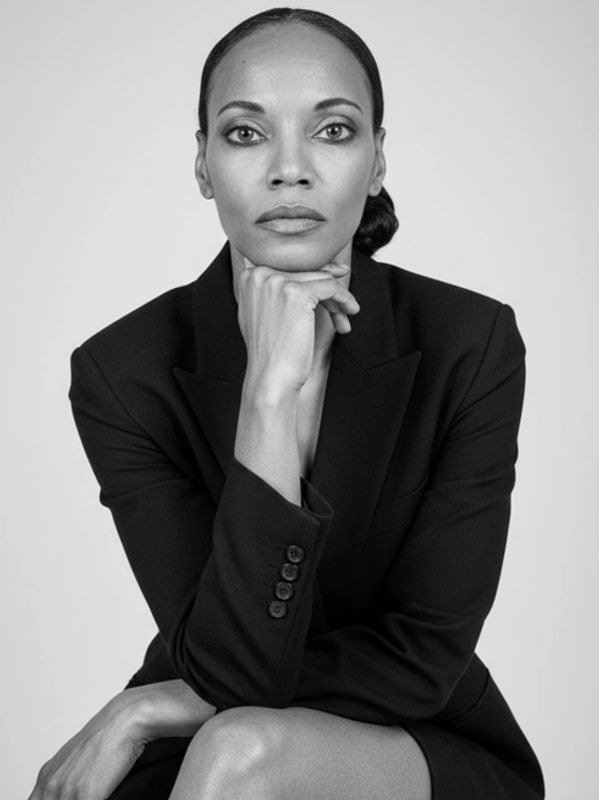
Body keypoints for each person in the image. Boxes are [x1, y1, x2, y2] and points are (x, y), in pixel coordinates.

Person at [29, 7, 545, 800]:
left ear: (376, 159)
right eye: (245, 133)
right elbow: (233, 666)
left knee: (240, 751)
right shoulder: (122, 371)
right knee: (228, 750)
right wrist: (268, 395)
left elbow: (424, 653)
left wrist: (143, 709)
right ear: (203, 165)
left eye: (332, 131)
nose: (290, 169)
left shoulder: (467, 341)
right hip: (211, 719)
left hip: (418, 731)